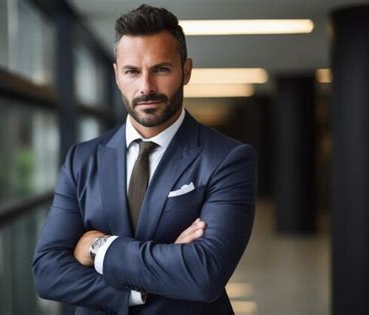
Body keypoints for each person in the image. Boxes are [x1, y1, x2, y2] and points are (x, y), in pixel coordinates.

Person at [33, 4, 256, 315]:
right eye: (132, 71)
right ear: (116, 75)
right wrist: (147, 282)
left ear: (186, 71)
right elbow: (47, 274)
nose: (146, 87)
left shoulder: (228, 159)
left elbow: (204, 275)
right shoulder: (81, 159)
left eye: (161, 69)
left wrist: (99, 248)